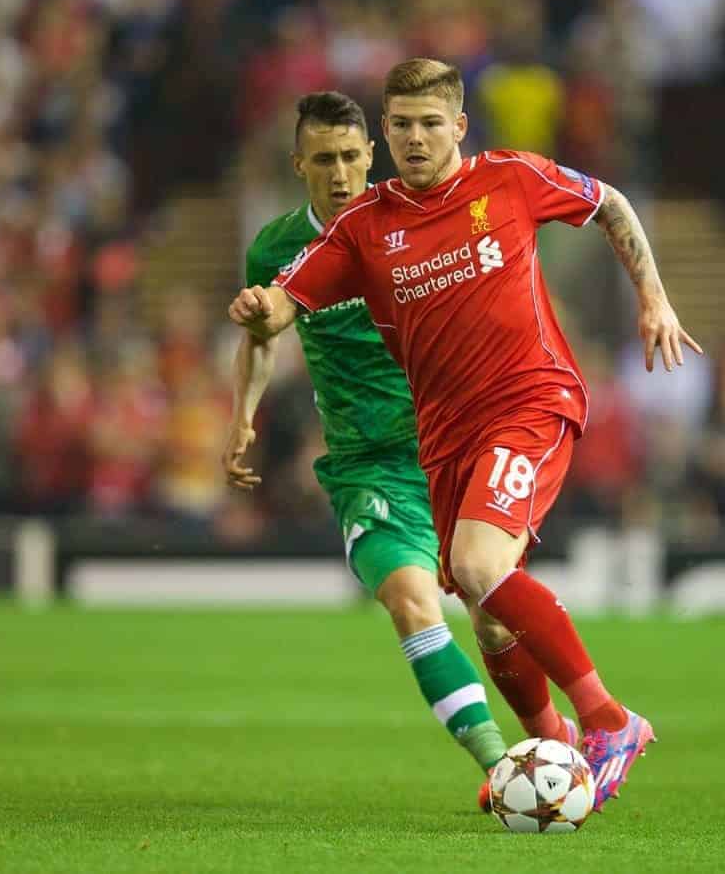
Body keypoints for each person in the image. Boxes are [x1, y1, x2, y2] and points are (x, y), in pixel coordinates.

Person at [230, 59, 702, 811]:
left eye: (430, 123)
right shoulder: (366, 227)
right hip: (444, 438)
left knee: (479, 565)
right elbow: (292, 299)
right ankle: (551, 756)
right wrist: (264, 309)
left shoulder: (509, 179)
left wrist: (655, 298)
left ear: (458, 126)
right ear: (386, 132)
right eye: (402, 125)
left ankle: (611, 720)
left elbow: (610, 202)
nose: (416, 138)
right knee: (486, 619)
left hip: (528, 402)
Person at [223, 91, 523, 808]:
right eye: (323, 159)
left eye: (353, 157)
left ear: (373, 155)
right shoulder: (274, 247)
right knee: (412, 601)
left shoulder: (413, 221)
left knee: (494, 614)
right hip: (367, 462)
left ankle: (550, 734)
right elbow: (264, 336)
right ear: (300, 163)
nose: (340, 172)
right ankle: (500, 764)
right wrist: (244, 414)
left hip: (453, 444)